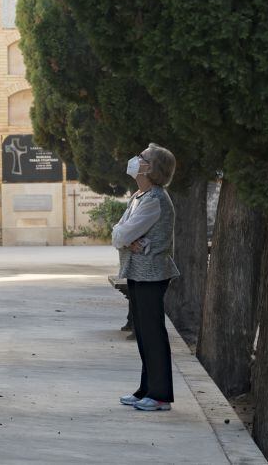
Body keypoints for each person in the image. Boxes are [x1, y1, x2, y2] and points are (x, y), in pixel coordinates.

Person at [111, 143, 178, 412]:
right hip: (138, 272)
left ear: (152, 168)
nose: (136, 159)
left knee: (152, 333)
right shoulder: (140, 196)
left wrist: (124, 238)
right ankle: (146, 389)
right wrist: (124, 238)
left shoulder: (156, 200)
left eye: (143, 157)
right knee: (143, 332)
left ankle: (160, 395)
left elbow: (123, 235)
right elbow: (119, 232)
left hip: (152, 274)